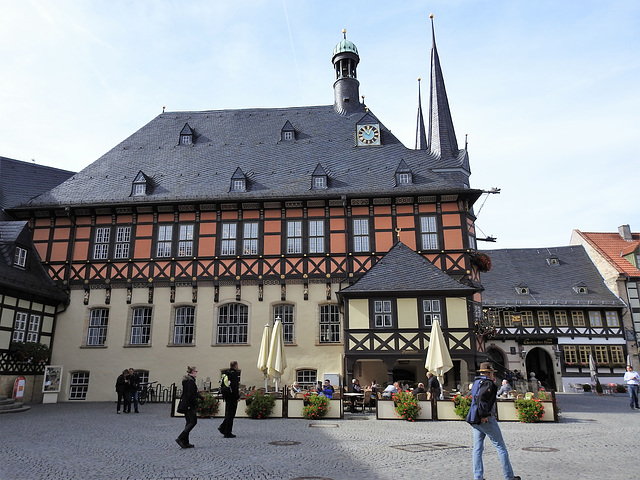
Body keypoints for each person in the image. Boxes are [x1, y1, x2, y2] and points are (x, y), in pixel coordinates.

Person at [466, 362, 520, 480]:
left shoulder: (475, 382)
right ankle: (509, 476)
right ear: (489, 373)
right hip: (485, 419)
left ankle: (478, 476)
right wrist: (484, 414)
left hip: (474, 419)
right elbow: (482, 399)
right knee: (500, 447)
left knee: (477, 448)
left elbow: (474, 397)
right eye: (492, 373)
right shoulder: (489, 384)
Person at [176, 365, 203, 448]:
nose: (196, 373)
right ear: (192, 372)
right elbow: (190, 394)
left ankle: (185, 441)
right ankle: (181, 437)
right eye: (196, 371)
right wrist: (195, 401)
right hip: (189, 405)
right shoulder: (191, 381)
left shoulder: (187, 380)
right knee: (193, 421)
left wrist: (200, 397)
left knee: (188, 422)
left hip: (185, 403)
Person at [218, 361, 240, 438]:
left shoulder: (226, 372)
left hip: (226, 396)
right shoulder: (234, 374)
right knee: (231, 415)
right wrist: (237, 396)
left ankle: (223, 428)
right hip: (232, 397)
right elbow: (235, 387)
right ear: (236, 366)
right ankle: (227, 432)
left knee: (228, 413)